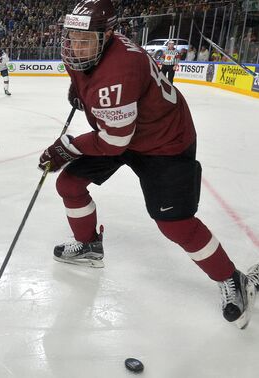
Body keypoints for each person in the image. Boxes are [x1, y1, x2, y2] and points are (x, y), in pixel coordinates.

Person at [38, 0, 259, 328]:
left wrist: (67, 147)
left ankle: (231, 277)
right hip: (124, 129)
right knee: (69, 184)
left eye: (84, 39)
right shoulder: (88, 50)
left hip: (164, 140)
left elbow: (114, 142)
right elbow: (105, 115)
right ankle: (89, 245)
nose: (75, 46)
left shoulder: (119, 70)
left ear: (109, 34)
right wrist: (78, 90)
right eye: (71, 36)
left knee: (175, 223)